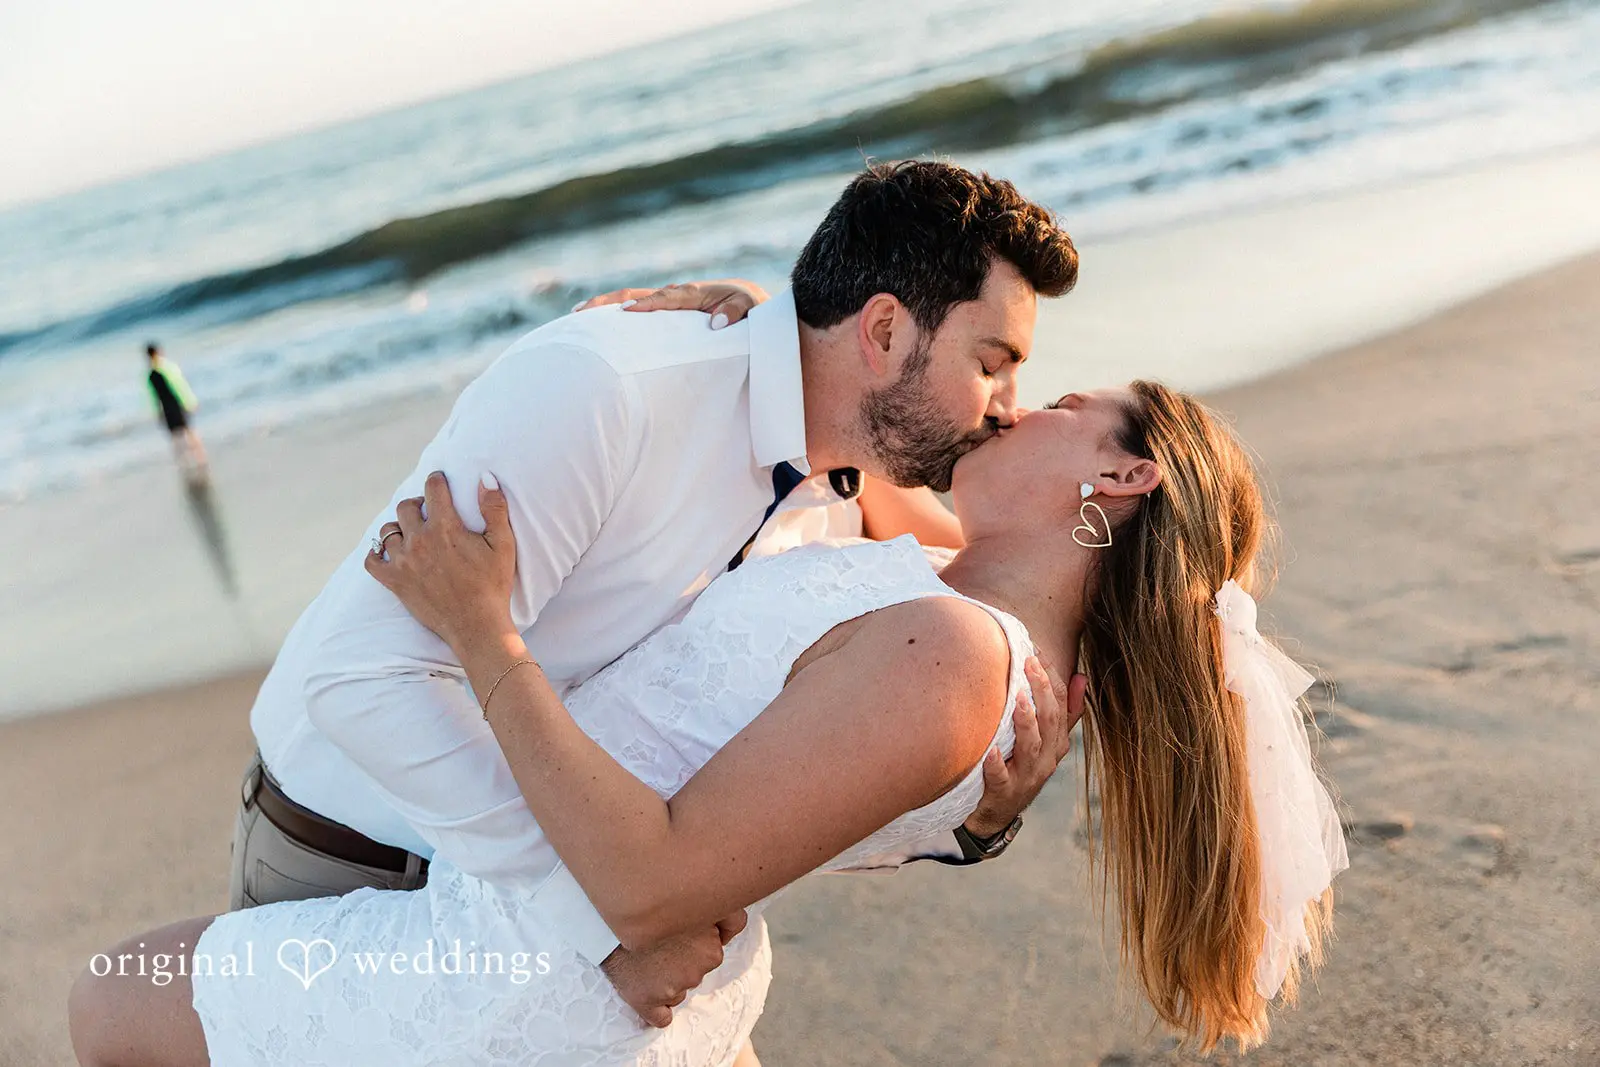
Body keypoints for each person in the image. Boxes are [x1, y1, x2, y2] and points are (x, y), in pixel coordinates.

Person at [69, 380, 1346, 1065]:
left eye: (1066, 400)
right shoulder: (941, 600)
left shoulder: (956, 654)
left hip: (535, 974)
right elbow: (833, 439)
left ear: (1121, 475)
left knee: (104, 997)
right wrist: (714, 318)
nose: (1016, 404)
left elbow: (648, 879)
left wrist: (479, 628)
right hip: (559, 945)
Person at [121, 161, 1084, 1038]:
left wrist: (977, 820)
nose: (1009, 403)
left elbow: (812, 771)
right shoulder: (608, 392)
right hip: (360, 860)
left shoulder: (837, 487)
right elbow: (361, 672)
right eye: (992, 362)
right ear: (882, 330)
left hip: (596, 915)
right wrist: (599, 917)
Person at [145, 342, 209, 480]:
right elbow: (180, 385)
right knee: (188, 431)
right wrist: (189, 401)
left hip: (167, 407)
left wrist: (157, 412)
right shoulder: (167, 368)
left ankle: (185, 463)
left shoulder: (150, 375)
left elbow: (154, 397)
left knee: (176, 436)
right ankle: (200, 458)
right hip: (176, 403)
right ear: (158, 352)